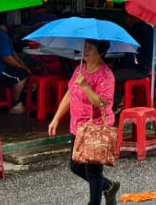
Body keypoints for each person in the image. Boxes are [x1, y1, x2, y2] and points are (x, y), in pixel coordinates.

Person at [48, 40, 120, 205]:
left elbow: (101, 103)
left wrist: (86, 86)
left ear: (100, 53)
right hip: (77, 126)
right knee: (76, 166)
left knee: (94, 171)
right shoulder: (79, 69)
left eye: (90, 48)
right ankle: (109, 186)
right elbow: (70, 94)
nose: (85, 51)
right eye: (85, 47)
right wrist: (56, 118)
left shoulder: (106, 75)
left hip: (95, 127)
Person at [0, 19, 31, 114]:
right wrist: (23, 69)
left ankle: (18, 99)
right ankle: (15, 104)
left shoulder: (0, 32)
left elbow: (14, 55)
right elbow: (7, 58)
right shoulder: (2, 36)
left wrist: (25, 67)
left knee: (24, 72)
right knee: (21, 76)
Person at [112, 15, 156, 107]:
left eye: (126, 18)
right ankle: (120, 98)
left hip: (138, 69)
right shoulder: (148, 28)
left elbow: (130, 53)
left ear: (132, 17)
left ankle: (118, 99)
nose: (126, 21)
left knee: (109, 77)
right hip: (145, 67)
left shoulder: (137, 29)